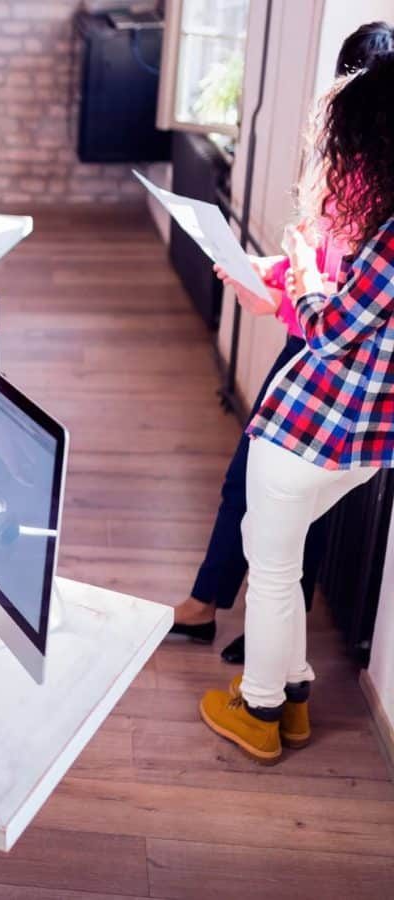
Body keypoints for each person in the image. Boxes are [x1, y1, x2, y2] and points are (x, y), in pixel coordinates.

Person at [169, 20, 394, 664]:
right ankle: (214, 606)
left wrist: (281, 290)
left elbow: (336, 305)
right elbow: (315, 263)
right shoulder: (351, 169)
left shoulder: (376, 194)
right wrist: (270, 271)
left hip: (329, 363)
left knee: (287, 506)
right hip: (310, 348)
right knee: (249, 486)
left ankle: (262, 643)